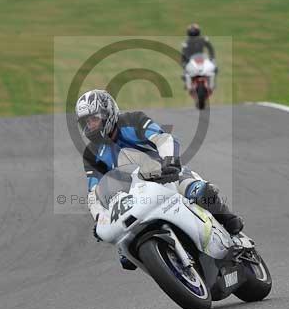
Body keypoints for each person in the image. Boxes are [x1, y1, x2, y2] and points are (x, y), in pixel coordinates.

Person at [75, 89, 244, 269]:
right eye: (86, 122)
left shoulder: (133, 120)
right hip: (133, 196)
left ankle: (229, 224)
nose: (90, 126)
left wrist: (170, 161)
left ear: (107, 112)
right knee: (127, 256)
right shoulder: (91, 154)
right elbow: (94, 192)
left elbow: (163, 139)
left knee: (201, 192)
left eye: (94, 119)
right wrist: (100, 217)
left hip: (166, 175)